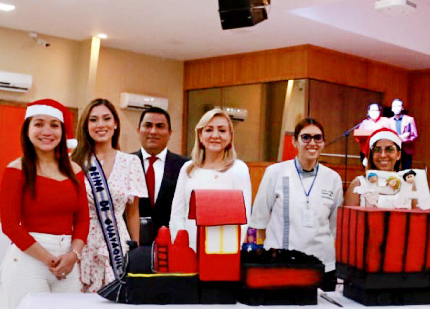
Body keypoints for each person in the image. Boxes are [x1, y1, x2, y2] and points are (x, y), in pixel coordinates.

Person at [0, 99, 89, 309]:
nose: (46, 131)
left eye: (54, 125)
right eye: (38, 124)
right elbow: (10, 226)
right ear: (27, 130)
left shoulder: (75, 170)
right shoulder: (16, 170)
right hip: (29, 260)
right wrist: (49, 259)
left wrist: (73, 255)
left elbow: (83, 219)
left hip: (68, 260)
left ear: (63, 131)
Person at [249, 118, 343, 291]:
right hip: (283, 265)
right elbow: (259, 220)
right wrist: (273, 254)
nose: (312, 143)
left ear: (323, 143)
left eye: (318, 138)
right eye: (306, 137)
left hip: (322, 266)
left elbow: (334, 227)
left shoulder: (333, 178)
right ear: (294, 141)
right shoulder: (275, 172)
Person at [72, 98, 147, 293]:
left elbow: (133, 212)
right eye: (93, 120)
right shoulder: (74, 162)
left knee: (115, 299)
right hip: (81, 242)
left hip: (116, 241)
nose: (100, 125)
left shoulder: (131, 162)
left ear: (115, 124)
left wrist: (135, 249)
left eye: (106, 118)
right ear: (86, 126)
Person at [170, 108, 252, 250]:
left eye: (222, 130)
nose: (215, 135)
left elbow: (244, 219)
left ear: (230, 136)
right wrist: (180, 247)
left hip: (224, 250)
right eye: (209, 130)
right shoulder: (188, 168)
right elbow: (177, 214)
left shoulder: (239, 169)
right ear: (200, 135)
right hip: (189, 248)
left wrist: (232, 250)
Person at [133, 107, 189, 241]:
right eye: (148, 125)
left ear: (169, 132)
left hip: (172, 244)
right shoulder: (125, 163)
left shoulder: (185, 166)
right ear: (138, 130)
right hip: (133, 246)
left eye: (160, 126)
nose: (153, 131)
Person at [344, 128, 403, 207]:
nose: (383, 155)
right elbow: (349, 217)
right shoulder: (358, 184)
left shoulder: (409, 184)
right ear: (372, 155)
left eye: (389, 149)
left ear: (398, 155)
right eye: (377, 150)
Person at [390, 99, 418, 170]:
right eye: (394, 106)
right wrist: (401, 137)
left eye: (398, 106)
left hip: (407, 149)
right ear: (392, 108)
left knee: (406, 172)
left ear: (402, 107)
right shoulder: (388, 121)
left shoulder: (409, 119)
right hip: (394, 150)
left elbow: (415, 135)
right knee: (394, 171)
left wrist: (403, 140)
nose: (396, 108)